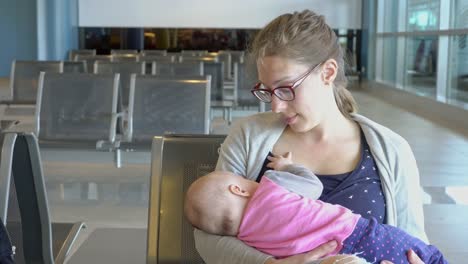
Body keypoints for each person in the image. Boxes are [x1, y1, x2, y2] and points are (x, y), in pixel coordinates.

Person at [193, 9, 428, 264]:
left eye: (285, 88)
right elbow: (208, 238)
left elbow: (414, 245)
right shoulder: (248, 137)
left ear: (327, 73)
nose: (275, 106)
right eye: (267, 91)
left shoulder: (391, 150)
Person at [185, 153, 447, 264]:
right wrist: (288, 167)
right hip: (361, 235)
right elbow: (312, 186)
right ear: (238, 189)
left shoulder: (249, 240)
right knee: (428, 255)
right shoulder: (269, 187)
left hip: (333, 257)